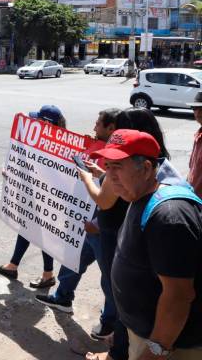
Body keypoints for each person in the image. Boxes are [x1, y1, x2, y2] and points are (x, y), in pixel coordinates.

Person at [91, 130, 202, 360]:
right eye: (108, 165)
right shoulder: (138, 195)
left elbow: (178, 296)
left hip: (172, 346)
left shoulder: (169, 216)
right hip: (143, 335)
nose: (109, 176)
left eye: (118, 166)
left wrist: (156, 350)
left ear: (147, 168)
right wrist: (128, 328)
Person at [35, 109, 122, 340]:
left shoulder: (118, 157)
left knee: (109, 279)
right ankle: (63, 297)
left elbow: (109, 198)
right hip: (91, 225)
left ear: (111, 128)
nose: (94, 128)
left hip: (104, 228)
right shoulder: (102, 151)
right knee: (73, 260)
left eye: (98, 124)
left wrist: (88, 177)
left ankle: (109, 323)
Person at [0, 105, 66, 289]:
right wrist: (12, 169)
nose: (34, 122)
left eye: (38, 120)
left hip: (47, 196)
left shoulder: (57, 145)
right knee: (27, 227)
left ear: (46, 124)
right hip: (34, 193)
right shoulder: (41, 140)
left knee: (42, 233)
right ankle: (13, 265)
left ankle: (47, 275)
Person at [186, 92, 202, 198]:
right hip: (193, 197)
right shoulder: (198, 136)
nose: (198, 112)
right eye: (195, 108)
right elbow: (192, 168)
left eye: (201, 108)